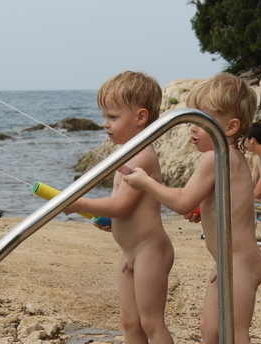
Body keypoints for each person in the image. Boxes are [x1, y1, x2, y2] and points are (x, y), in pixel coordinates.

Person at [123, 72, 261, 344]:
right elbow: (228, 201)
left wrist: (147, 183)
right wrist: (203, 210)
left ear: (230, 127)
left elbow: (182, 202)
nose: (192, 128)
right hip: (230, 259)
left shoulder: (215, 157)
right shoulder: (231, 157)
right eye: (191, 120)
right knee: (211, 331)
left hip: (239, 261)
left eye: (201, 121)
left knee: (235, 333)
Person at [63, 71, 175, 344]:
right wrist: (110, 220)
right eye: (104, 116)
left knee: (151, 322)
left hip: (150, 250)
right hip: (130, 251)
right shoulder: (127, 153)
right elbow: (126, 208)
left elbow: (122, 205)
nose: (105, 123)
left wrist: (78, 203)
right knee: (130, 322)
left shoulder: (142, 156)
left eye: (113, 117)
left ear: (140, 117)